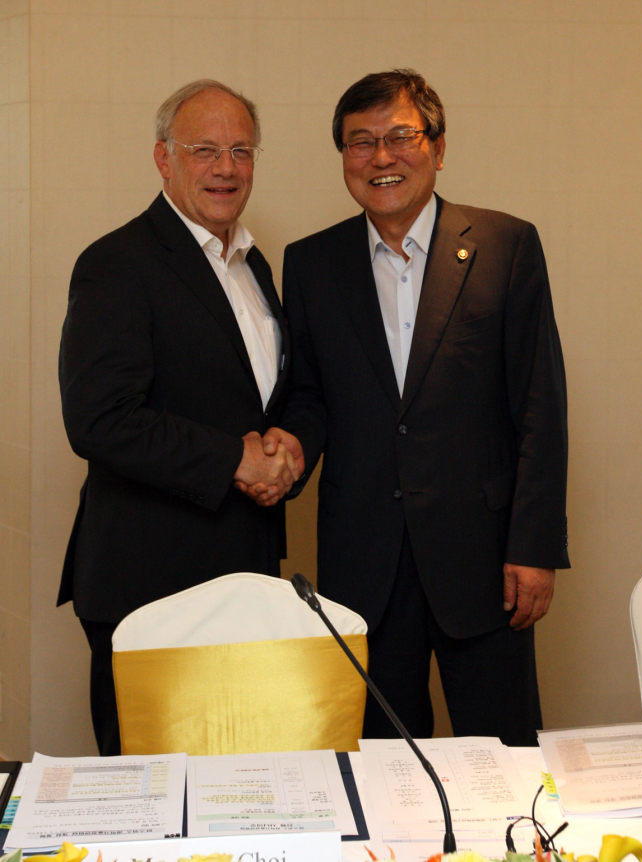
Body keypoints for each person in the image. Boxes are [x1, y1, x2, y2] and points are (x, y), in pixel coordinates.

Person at [257, 69, 569, 745]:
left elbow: (541, 404)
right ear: (343, 156)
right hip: (363, 561)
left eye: (400, 136)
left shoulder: (505, 246)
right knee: (380, 764)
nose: (381, 157)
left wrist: (534, 546)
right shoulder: (311, 263)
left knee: (508, 756)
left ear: (438, 145)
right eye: (359, 142)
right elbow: (309, 392)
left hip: (484, 562)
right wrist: (290, 448)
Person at [58, 79, 304, 755]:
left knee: (238, 792)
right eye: (204, 150)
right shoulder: (116, 264)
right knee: (152, 801)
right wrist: (235, 459)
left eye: (241, 151)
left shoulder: (253, 267)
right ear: (164, 159)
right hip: (149, 584)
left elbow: (261, 401)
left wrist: (288, 446)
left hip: (244, 576)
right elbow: (99, 419)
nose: (226, 168)